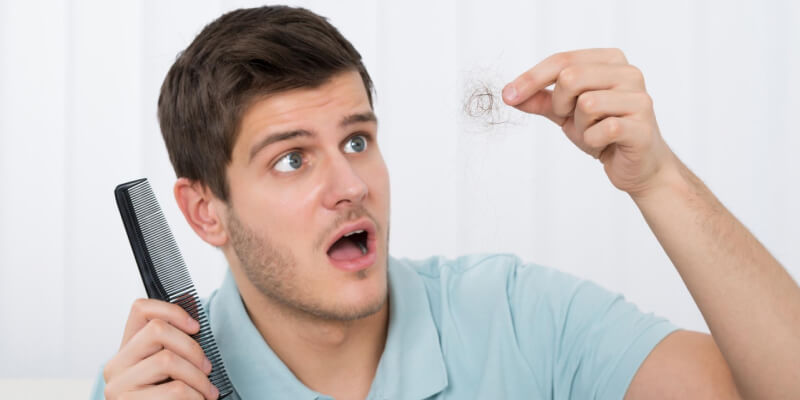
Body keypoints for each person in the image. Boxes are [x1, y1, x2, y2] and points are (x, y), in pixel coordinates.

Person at [93, 5, 800, 400]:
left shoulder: (519, 317)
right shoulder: (153, 386)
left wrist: (659, 180)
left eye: (358, 141)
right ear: (204, 212)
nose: (350, 185)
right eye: (292, 159)